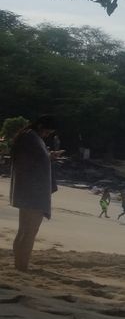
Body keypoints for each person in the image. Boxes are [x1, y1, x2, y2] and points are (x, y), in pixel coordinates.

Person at [9, 115, 57, 271]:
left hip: (27, 191)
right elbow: (34, 162)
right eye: (47, 132)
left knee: (24, 230)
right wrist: (48, 157)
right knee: (30, 232)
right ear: (41, 126)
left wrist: (49, 156)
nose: (47, 135)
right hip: (33, 192)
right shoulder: (31, 138)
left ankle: (20, 265)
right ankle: (21, 266)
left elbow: (33, 160)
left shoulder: (28, 136)